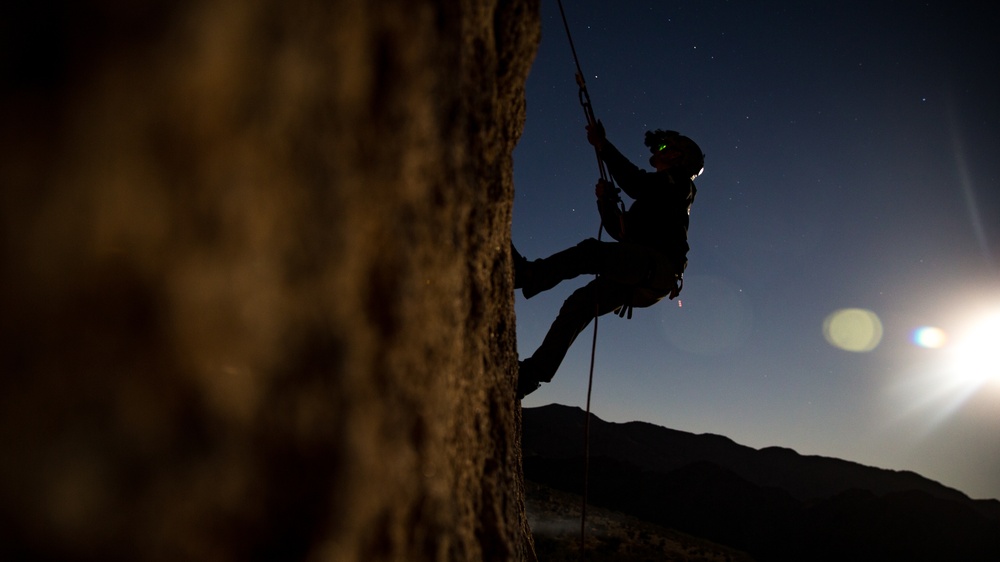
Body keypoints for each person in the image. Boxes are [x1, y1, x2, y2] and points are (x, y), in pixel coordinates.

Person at [513, 121, 704, 399]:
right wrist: (605, 202)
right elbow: (620, 230)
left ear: (677, 156)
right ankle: (530, 377)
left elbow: (635, 183)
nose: (659, 150)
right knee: (579, 304)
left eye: (665, 147)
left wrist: (603, 145)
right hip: (647, 277)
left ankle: (529, 276)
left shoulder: (678, 183)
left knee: (590, 253)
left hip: (653, 268)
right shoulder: (662, 194)